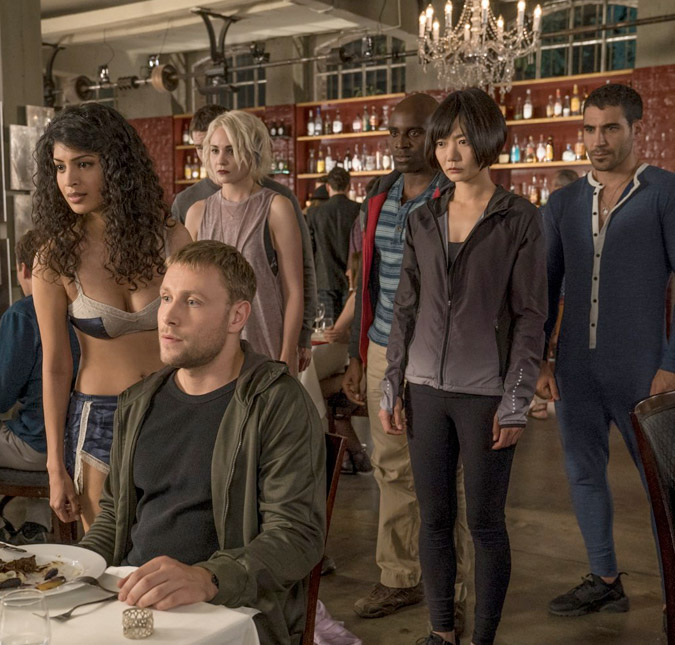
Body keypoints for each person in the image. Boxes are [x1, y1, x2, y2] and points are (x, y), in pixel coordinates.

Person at [80, 240, 325, 645]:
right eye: (165, 298)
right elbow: (113, 514)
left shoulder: (275, 403)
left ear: (237, 316)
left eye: (192, 302)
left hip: (230, 610)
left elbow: (296, 535)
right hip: (135, 600)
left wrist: (207, 577)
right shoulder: (139, 401)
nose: (168, 316)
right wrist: (77, 571)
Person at [381, 88, 547, 645]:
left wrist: (516, 400)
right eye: (442, 142)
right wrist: (391, 386)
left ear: (488, 141)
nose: (449, 154)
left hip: (486, 395)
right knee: (432, 518)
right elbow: (404, 308)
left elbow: (530, 316)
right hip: (423, 390)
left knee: (484, 522)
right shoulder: (422, 216)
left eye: (462, 141)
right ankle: (442, 631)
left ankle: (483, 638)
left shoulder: (518, 218)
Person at [538, 83, 675, 617]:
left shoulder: (664, 192)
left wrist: (671, 364)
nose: (598, 140)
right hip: (576, 371)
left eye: (610, 128)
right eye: (590, 129)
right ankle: (605, 578)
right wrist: (542, 360)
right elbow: (546, 288)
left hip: (645, 372)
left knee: (664, 486)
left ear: (635, 128)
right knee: (583, 473)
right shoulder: (562, 203)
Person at [342, 93, 471, 632]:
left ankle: (453, 589)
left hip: (438, 355)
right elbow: (366, 282)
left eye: (414, 132)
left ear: (437, 136)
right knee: (391, 466)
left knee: (447, 474)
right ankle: (400, 576)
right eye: (394, 133)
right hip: (380, 349)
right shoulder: (379, 195)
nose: (401, 143)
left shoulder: (456, 196)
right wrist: (356, 354)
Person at [31, 103, 192, 531]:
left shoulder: (172, 237)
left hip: (174, 408)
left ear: (118, 166)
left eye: (84, 164)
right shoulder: (54, 258)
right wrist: (55, 467)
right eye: (60, 167)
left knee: (180, 544)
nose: (70, 180)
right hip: (99, 420)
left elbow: (201, 335)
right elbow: (55, 366)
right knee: (109, 553)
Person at [171, 104, 317, 373]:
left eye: (231, 150)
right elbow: (184, 288)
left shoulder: (277, 207)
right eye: (214, 150)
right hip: (208, 344)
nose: (221, 160)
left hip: (264, 338)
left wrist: (288, 351)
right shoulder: (196, 212)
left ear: (252, 151)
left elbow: (294, 290)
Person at [0, 231, 79, 544]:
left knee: (23, 422)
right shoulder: (85, 306)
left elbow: (2, 395)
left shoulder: (23, 314)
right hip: (85, 441)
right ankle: (36, 524)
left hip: (41, 447)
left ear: (23, 269)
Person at [528, 168, 579, 421]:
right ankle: (556, 396)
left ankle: (539, 399)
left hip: (540, 292)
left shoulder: (539, 214)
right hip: (566, 295)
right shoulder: (578, 215)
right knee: (560, 346)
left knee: (540, 344)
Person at [308, 166, 360, 321]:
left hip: (324, 279)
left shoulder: (314, 213)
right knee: (350, 328)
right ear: (349, 186)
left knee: (327, 329)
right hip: (353, 278)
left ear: (327, 187)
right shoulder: (358, 210)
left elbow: (309, 249)